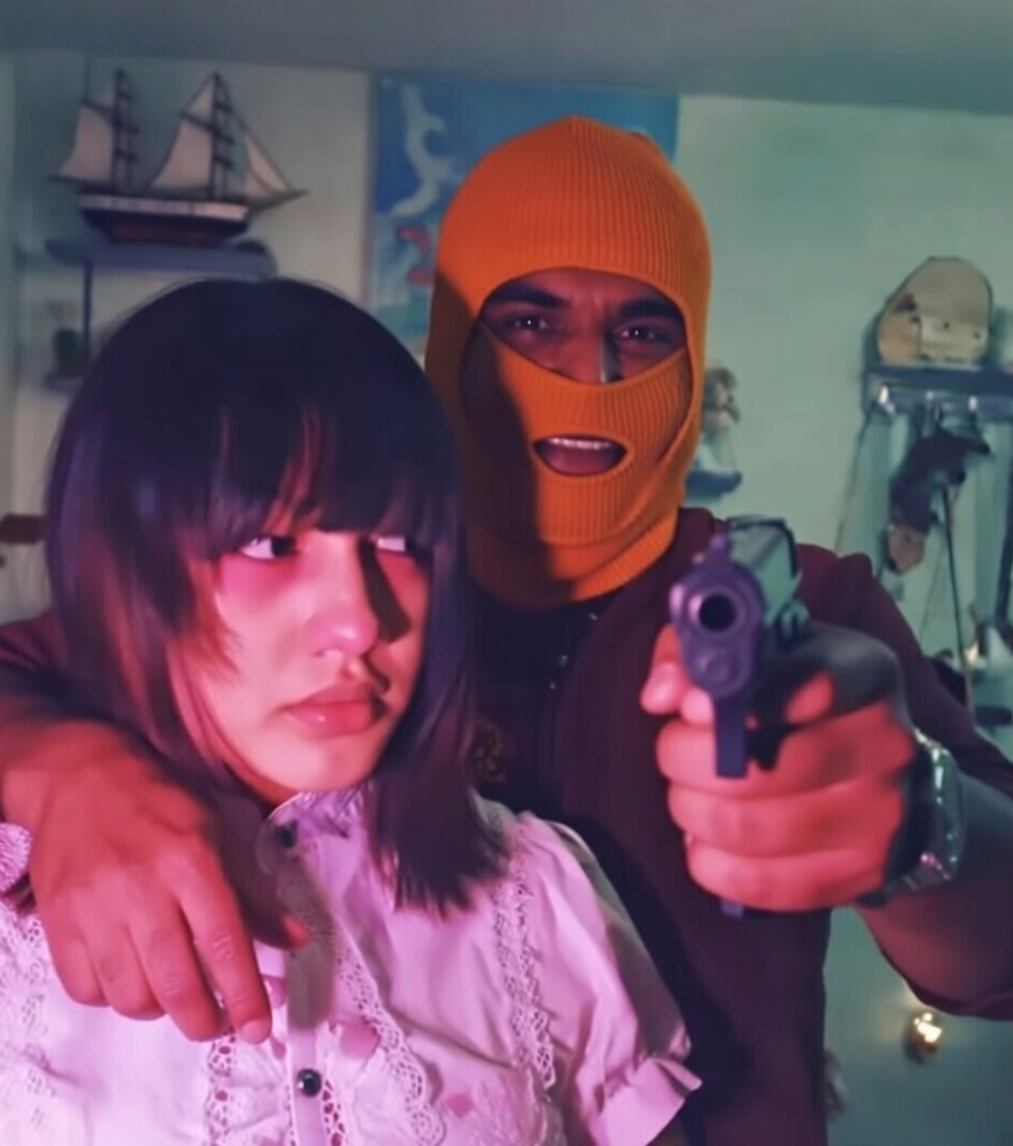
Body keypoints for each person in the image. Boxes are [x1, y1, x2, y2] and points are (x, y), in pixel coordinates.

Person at [2, 117, 1013, 1145]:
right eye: (531, 322)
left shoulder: (809, 604)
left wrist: (918, 821)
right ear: (456, 341)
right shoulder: (321, 590)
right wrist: (69, 775)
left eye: (642, 332)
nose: (594, 375)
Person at [0, 278, 697, 1145]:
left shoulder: (535, 894)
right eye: (271, 544)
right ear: (122, 568)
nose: (361, 623)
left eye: (398, 543)